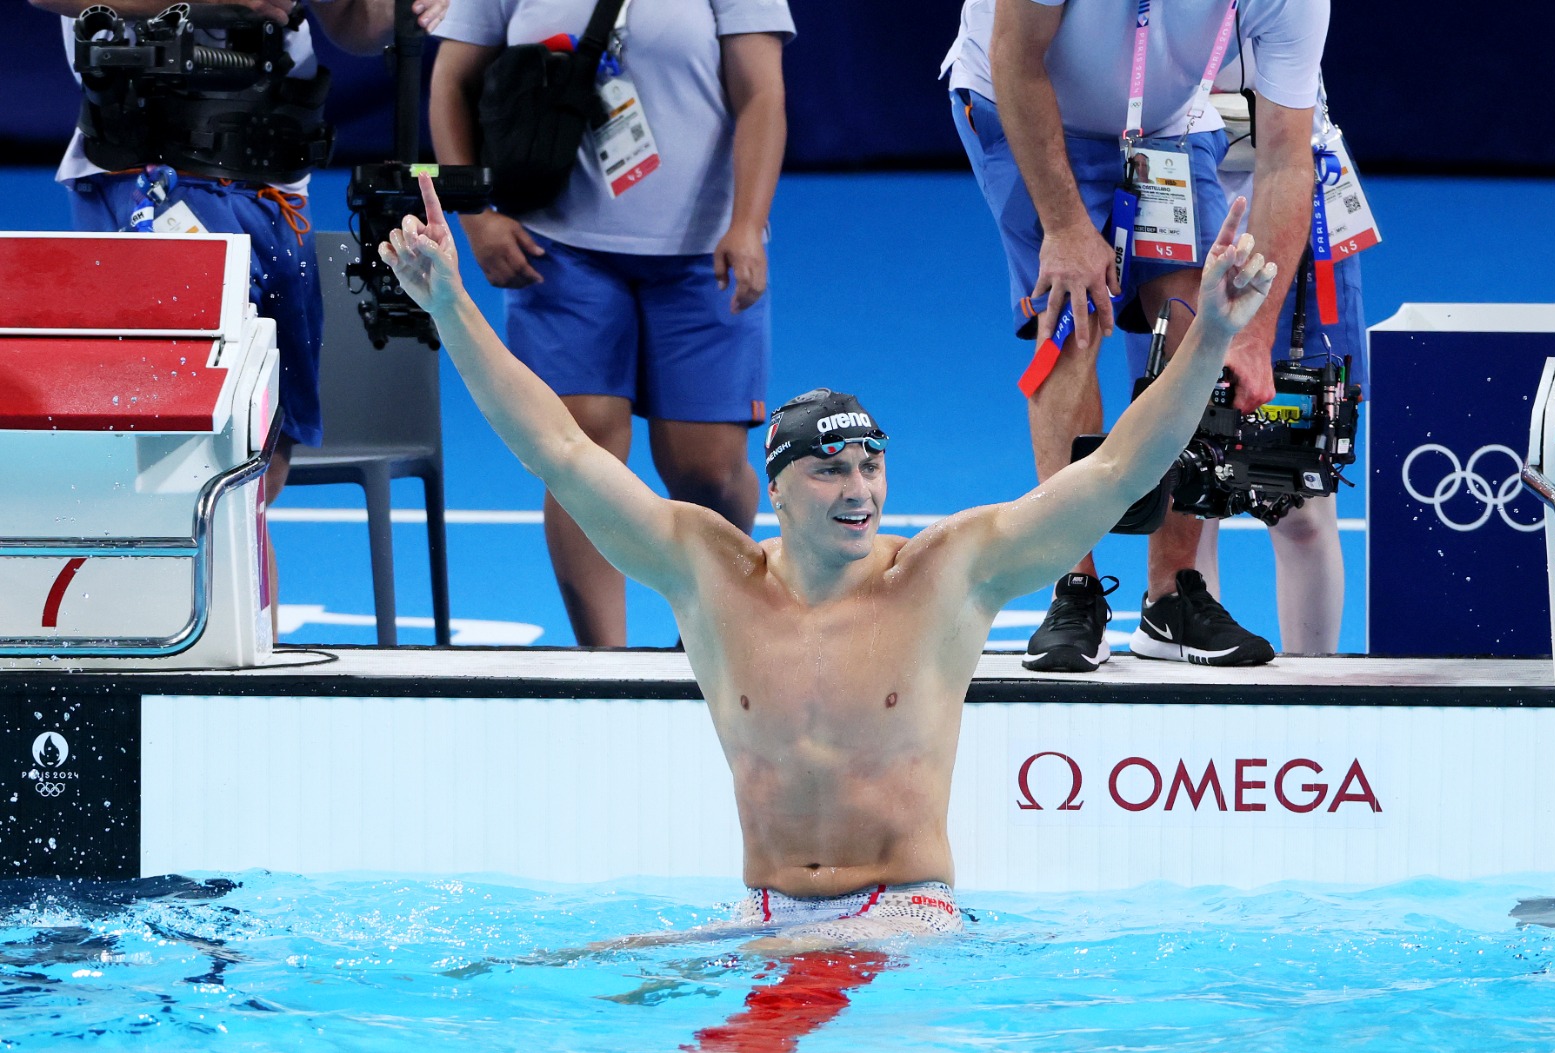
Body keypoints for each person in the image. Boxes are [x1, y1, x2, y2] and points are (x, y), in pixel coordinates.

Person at [379, 172, 1278, 947]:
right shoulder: (709, 573)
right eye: (830, 470)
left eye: (870, 464)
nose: (860, 489)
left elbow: (1118, 471)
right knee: (564, 978)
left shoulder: (944, 576)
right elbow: (560, 451)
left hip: (907, 916)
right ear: (777, 489)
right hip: (765, 910)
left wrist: (1208, 339)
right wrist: (452, 309)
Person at [31, 0, 449, 637]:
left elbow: (351, 24)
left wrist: (397, 9)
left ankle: (246, 667)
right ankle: (157, 658)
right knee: (175, 464)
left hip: (277, 192)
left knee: (257, 468)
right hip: (151, 178)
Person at [943, 0, 1329, 672]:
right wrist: (1064, 226)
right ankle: (1076, 586)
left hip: (1169, 125)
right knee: (1071, 319)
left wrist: (1251, 331)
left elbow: (1287, 158)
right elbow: (1015, 53)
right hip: (1017, 97)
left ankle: (1171, 596)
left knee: (1196, 332)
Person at [428, 0, 792, 647]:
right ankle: (604, 664)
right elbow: (451, 80)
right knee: (579, 453)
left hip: (703, 253)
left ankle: (707, 644)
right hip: (558, 253)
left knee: (707, 467)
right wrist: (475, 213)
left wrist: (746, 222)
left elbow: (761, 93)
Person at [1135, 60, 1370, 655]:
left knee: (1304, 503)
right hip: (1174, 207)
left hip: (1294, 220)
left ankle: (1315, 695)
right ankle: (1198, 684)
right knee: (1188, 493)